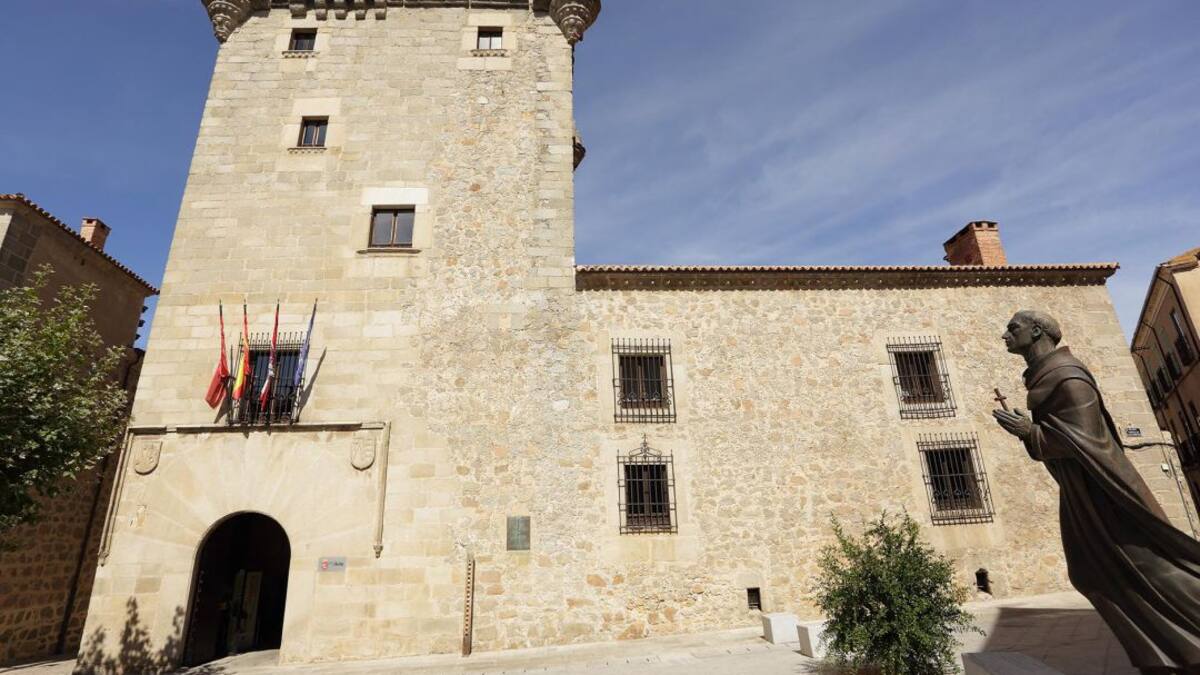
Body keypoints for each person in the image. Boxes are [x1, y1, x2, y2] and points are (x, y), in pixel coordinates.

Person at [993, 310, 1200, 674]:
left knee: (1148, 565)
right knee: (1090, 570)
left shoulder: (1068, 377)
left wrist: (1029, 432)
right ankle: (1163, 653)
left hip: (1106, 489)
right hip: (1082, 489)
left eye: (1013, 328)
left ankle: (1184, 645)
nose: (1005, 335)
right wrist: (1030, 433)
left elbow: (1086, 439)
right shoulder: (1046, 376)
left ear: (1036, 331)